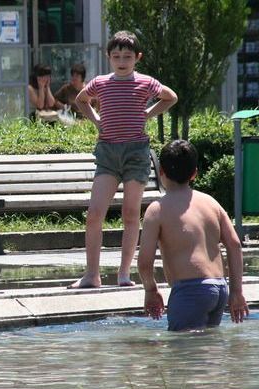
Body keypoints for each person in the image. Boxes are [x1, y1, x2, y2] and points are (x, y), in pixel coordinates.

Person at [69, 30, 178, 289]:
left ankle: (123, 274)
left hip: (135, 152)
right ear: (108, 56)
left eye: (127, 56)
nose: (121, 60)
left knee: (131, 213)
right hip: (108, 152)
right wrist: (95, 119)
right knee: (95, 213)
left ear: (137, 58)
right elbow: (81, 99)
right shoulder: (101, 82)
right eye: (116, 56)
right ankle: (91, 274)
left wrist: (148, 114)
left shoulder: (145, 82)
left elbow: (170, 97)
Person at [138, 140, 249, 331]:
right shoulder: (211, 203)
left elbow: (145, 262)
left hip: (190, 291)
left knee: (183, 354)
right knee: (207, 350)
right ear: (195, 173)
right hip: (219, 288)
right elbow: (234, 244)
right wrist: (236, 291)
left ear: (161, 171)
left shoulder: (157, 210)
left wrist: (151, 290)